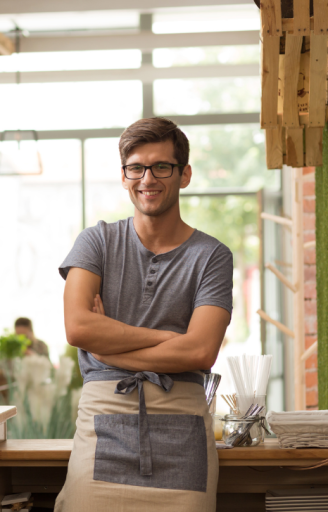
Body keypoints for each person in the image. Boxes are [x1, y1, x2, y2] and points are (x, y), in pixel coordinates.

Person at [54, 117, 233, 512]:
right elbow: (78, 327)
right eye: (136, 167)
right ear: (124, 176)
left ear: (184, 175)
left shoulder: (213, 256)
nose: (147, 178)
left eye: (161, 167)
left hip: (182, 420)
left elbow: (201, 353)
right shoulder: (96, 241)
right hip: (105, 414)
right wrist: (169, 338)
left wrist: (109, 349)